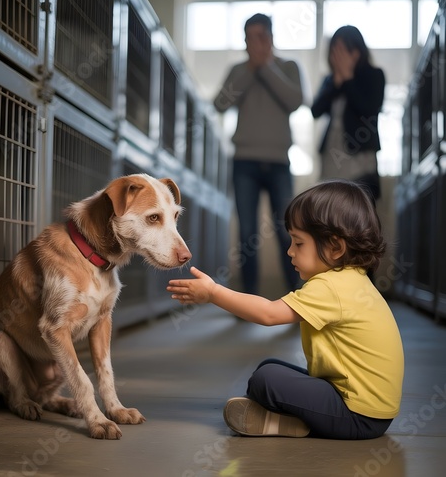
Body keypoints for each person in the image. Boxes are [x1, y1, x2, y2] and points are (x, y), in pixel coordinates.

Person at [167, 180, 404, 440]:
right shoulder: (353, 279)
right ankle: (290, 422)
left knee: (266, 379)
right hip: (371, 412)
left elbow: (269, 313)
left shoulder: (332, 286)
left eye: (299, 243)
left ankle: (291, 422)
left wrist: (213, 293)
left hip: (357, 416)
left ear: (336, 247)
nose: (290, 251)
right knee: (270, 367)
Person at [213, 13, 304, 294]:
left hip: (279, 162)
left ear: (271, 38)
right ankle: (247, 298)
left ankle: (296, 297)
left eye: (260, 37)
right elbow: (220, 103)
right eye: (249, 38)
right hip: (244, 163)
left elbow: (294, 101)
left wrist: (265, 67)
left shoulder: (288, 67)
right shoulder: (238, 71)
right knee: (247, 234)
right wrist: (251, 69)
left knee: (286, 231)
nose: (255, 43)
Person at [311, 25, 385, 202]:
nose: (337, 56)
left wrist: (348, 79)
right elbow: (316, 110)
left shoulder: (373, 75)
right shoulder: (330, 80)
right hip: (331, 157)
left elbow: (370, 109)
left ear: (357, 52)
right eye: (335, 51)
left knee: (358, 213)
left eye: (343, 50)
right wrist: (336, 83)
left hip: (360, 159)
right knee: (330, 211)